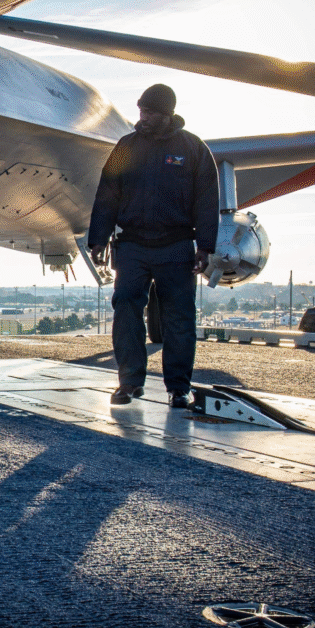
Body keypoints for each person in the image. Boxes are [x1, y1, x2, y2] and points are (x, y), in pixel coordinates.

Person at [87, 84, 219, 408]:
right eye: (141, 111)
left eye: (149, 113)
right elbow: (107, 194)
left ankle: (179, 389)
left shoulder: (193, 149)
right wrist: (98, 239)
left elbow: (207, 200)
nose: (143, 118)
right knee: (125, 308)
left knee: (179, 317)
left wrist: (205, 247)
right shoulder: (126, 147)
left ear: (167, 114)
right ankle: (129, 383)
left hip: (176, 245)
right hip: (132, 244)